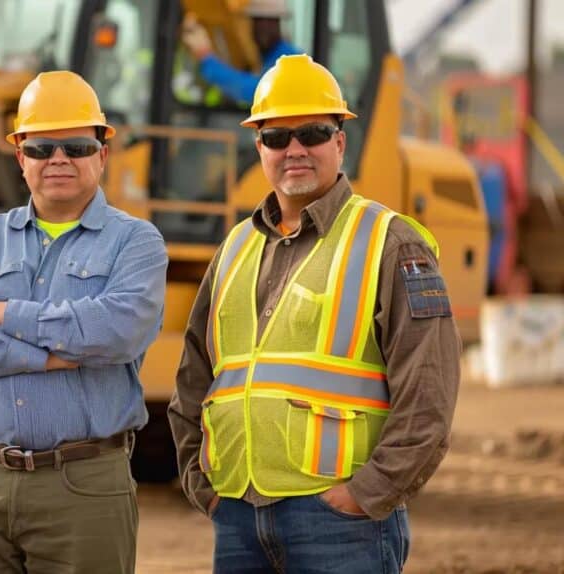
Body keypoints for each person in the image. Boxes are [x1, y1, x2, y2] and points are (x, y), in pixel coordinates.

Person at [168, 54, 460, 573]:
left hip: (340, 523)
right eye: (277, 137)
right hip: (238, 516)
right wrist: (201, 481)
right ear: (258, 146)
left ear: (340, 142)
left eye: (313, 133)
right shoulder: (235, 247)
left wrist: (369, 493)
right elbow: (195, 374)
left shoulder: (388, 241)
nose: (295, 149)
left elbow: (429, 389)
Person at [0, 70, 168, 574]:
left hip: (84, 489)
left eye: (75, 146)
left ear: (102, 153)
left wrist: (2, 313)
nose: (58, 158)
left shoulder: (136, 244)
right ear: (20, 157)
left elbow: (116, 331)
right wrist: (45, 357)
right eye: (41, 148)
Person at [181, 0, 301, 105]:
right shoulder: (259, 58)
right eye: (258, 21)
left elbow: (256, 91)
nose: (265, 28)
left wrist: (206, 57)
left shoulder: (291, 60)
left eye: (271, 21)